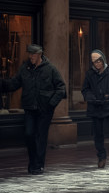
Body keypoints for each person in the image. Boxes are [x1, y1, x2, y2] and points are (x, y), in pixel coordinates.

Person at [0, 44, 66, 175]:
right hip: (30, 108)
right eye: (29, 54)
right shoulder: (25, 68)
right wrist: (2, 83)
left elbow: (61, 88)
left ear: (39, 54)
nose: (31, 57)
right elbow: (14, 83)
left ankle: (38, 165)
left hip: (44, 109)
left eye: (33, 54)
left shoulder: (50, 69)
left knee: (41, 137)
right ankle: (33, 162)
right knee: (29, 134)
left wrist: (51, 104)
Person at [81, 49, 109, 168]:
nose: (97, 64)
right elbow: (85, 89)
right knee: (98, 134)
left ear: (103, 60)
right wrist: (90, 97)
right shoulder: (89, 74)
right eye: (94, 62)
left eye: (99, 61)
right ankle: (101, 156)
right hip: (95, 107)